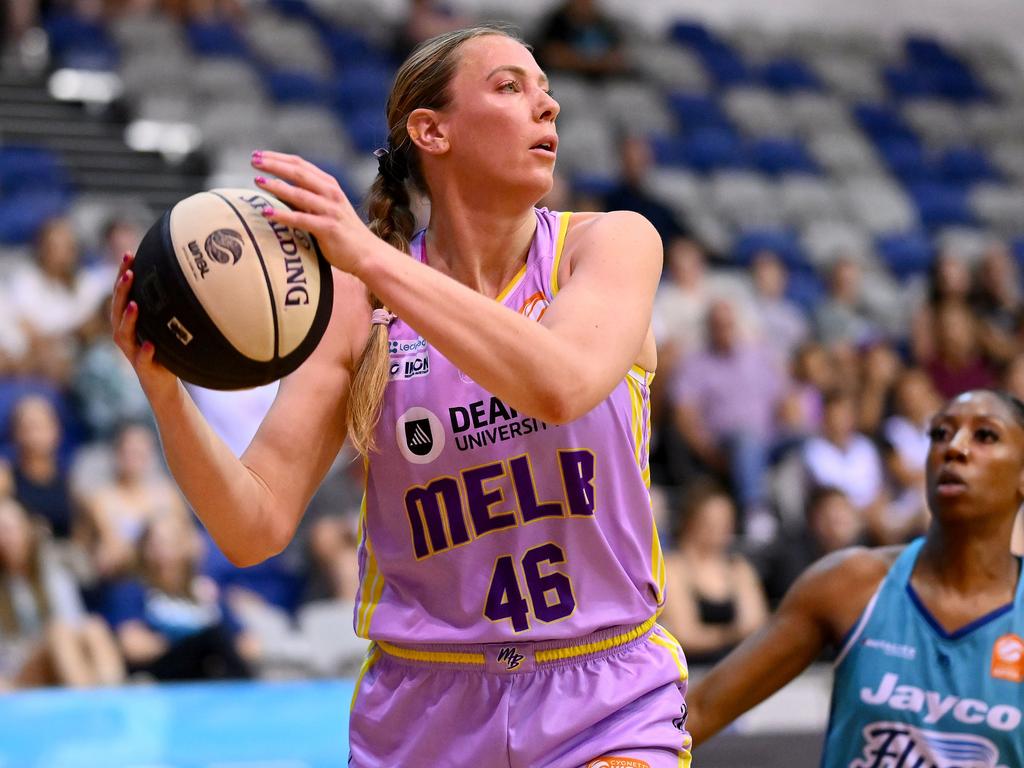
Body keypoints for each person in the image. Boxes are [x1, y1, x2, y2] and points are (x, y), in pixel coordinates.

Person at [112, 25, 689, 768]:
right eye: (511, 87)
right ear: (431, 130)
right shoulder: (355, 305)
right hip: (425, 709)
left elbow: (562, 382)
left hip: (602, 693)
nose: (547, 107)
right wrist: (166, 393)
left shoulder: (608, 243)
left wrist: (371, 263)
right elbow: (252, 526)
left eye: (546, 90)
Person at [686, 389, 1024, 768]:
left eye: (986, 436)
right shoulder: (850, 584)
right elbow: (699, 711)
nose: (954, 448)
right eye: (940, 434)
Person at [660, 482, 767, 665]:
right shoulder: (672, 568)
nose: (720, 528)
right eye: (712, 521)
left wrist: (721, 636)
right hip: (691, 671)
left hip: (737, 668)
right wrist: (732, 634)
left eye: (726, 521)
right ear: (691, 520)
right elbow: (685, 635)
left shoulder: (738, 568)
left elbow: (756, 626)